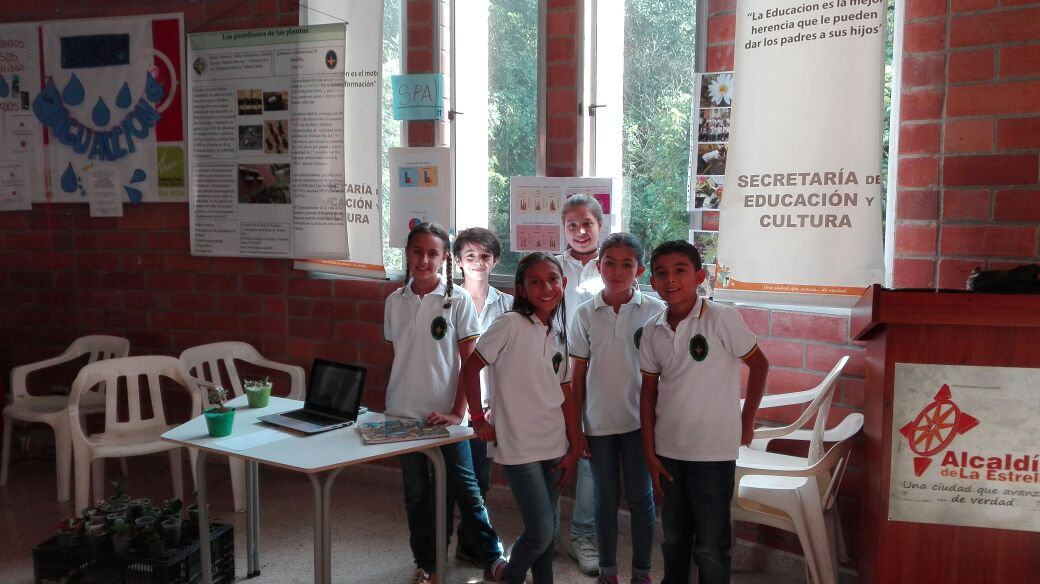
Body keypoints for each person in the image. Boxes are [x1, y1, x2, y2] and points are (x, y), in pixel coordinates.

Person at [638, 241, 769, 584]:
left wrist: (748, 420)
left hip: (713, 453)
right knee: (675, 539)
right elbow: (648, 393)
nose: (671, 280)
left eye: (680, 271)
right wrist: (650, 453)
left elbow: (759, 365)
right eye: (662, 273)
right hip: (669, 452)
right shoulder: (652, 331)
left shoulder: (722, 319)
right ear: (652, 282)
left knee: (711, 545)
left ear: (699, 276)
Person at [383, 222, 506, 584]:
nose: (424, 259)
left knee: (467, 491)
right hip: (403, 415)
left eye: (433, 253)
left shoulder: (457, 300)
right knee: (417, 495)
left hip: (447, 419)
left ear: (444, 258)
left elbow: (470, 363)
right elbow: (399, 357)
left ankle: (493, 558)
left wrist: (458, 412)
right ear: (407, 254)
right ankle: (428, 563)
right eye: (417, 252)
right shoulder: (394, 301)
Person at [460, 252, 585, 584]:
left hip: (555, 444)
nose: (546, 288)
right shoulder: (509, 324)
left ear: (564, 283)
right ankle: (509, 576)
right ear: (522, 289)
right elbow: (471, 368)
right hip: (520, 446)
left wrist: (575, 445)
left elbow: (566, 394)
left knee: (548, 530)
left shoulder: (558, 331)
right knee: (541, 531)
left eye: (553, 279)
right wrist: (476, 417)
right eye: (536, 282)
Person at [569, 233, 663, 584]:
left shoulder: (655, 311)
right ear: (599, 266)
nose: (618, 271)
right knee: (604, 500)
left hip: (641, 425)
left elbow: (664, 374)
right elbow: (577, 377)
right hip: (598, 424)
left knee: (641, 500)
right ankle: (608, 571)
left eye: (627, 264)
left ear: (639, 270)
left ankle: (642, 573)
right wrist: (576, 428)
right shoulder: (585, 314)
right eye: (610, 262)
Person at [449, 227, 513, 567]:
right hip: (451, 405)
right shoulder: (446, 300)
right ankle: (460, 544)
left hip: (486, 406)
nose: (478, 263)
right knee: (454, 480)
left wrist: (495, 406)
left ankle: (469, 543)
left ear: (495, 260)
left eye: (485, 257)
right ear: (458, 261)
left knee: (479, 479)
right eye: (470, 257)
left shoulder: (509, 306)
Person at [556, 193, 604, 574]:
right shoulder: (552, 268)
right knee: (551, 451)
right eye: (572, 225)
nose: (580, 231)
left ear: (600, 226)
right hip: (553, 378)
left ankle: (582, 536)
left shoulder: (614, 267)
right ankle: (545, 531)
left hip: (597, 379)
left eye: (587, 223)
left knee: (588, 456)